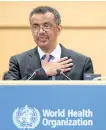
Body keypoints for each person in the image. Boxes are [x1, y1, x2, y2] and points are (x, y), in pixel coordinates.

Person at [4, 6, 94, 80]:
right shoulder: (18, 61)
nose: (41, 31)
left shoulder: (82, 62)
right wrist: (42, 73)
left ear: (58, 30)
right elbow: (10, 92)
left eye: (47, 26)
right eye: (35, 27)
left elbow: (90, 96)